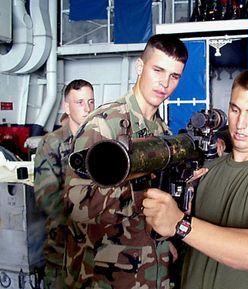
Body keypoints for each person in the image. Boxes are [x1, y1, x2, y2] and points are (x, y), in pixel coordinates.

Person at [142, 68, 248, 289]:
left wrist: (180, 224)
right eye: (235, 109)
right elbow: (164, 231)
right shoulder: (205, 169)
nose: (240, 123)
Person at [63, 34, 188, 289]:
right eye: (158, 70)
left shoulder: (160, 129)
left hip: (150, 268)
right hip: (106, 274)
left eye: (174, 76)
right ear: (140, 67)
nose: (165, 83)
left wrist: (163, 243)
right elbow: (76, 204)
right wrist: (142, 198)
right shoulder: (105, 123)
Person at [34, 79, 95, 289]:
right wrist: (81, 223)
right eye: (79, 102)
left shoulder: (100, 141)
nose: (87, 108)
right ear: (66, 107)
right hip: (62, 247)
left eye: (91, 101)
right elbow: (46, 195)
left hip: (96, 249)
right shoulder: (52, 143)